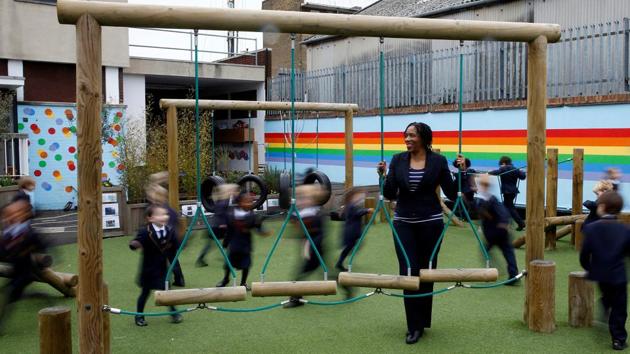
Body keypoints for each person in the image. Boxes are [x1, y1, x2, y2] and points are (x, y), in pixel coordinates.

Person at [377, 122, 466, 344]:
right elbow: (389, 193)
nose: (407, 139)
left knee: (427, 272)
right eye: (405, 135)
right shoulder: (398, 160)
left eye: (412, 135)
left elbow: (453, 192)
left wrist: (462, 171)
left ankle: (423, 321)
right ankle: (413, 326)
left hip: (431, 223)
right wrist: (383, 174)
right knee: (408, 270)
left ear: (424, 138)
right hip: (404, 223)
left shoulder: (438, 161)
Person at [580, 191, 630, 351]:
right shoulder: (625, 230)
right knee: (620, 307)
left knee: (607, 296)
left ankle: (605, 306)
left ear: (601, 207)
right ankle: (618, 339)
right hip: (618, 275)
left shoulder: (591, 228)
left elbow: (584, 255)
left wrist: (590, 268)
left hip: (600, 275)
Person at [129, 205, 183, 326]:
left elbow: (175, 244)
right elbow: (137, 240)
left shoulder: (169, 230)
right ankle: (139, 315)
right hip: (148, 269)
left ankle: (174, 313)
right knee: (145, 293)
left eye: (165, 214)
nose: (164, 217)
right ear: (150, 218)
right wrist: (134, 244)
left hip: (162, 268)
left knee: (167, 292)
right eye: (160, 214)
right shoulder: (145, 231)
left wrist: (183, 243)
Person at [0, 199, 48, 329]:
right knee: (12, 293)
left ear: (24, 215)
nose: (10, 217)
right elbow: (4, 249)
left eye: (15, 214)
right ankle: (36, 295)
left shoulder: (28, 232)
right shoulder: (8, 231)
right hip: (15, 270)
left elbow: (42, 245)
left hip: (27, 271)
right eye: (8, 215)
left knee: (10, 295)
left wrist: (41, 256)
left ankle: (1, 325)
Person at [284, 184, 328, 309]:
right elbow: (297, 224)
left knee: (300, 274)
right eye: (298, 198)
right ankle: (346, 286)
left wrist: (309, 245)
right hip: (309, 248)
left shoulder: (316, 213)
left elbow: (320, 234)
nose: (300, 201)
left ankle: (296, 298)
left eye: (302, 198)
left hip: (316, 250)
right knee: (325, 273)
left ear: (312, 199)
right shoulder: (303, 212)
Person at [215, 191, 267, 289]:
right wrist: (225, 243)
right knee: (228, 265)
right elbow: (229, 231)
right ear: (239, 202)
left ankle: (243, 282)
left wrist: (262, 231)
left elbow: (257, 226)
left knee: (246, 265)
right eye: (246, 201)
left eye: (250, 202)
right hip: (234, 245)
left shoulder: (252, 215)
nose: (249, 204)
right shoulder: (231, 215)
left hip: (245, 245)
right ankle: (226, 279)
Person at [475, 174, 518, 284]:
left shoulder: (487, 199)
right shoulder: (487, 198)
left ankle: (492, 272)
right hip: (499, 231)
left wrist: (503, 222)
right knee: (508, 252)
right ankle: (513, 276)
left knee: (486, 251)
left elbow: (501, 212)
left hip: (496, 231)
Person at [145, 183, 185, 287]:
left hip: (164, 239)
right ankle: (179, 279)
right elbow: (178, 221)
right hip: (172, 239)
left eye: (151, 195)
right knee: (173, 259)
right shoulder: (170, 209)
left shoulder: (158, 210)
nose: (150, 197)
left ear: (157, 196)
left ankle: (162, 280)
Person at [196, 184, 238, 267]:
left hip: (215, 225)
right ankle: (228, 260)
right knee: (228, 241)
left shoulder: (223, 199)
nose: (234, 192)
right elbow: (220, 213)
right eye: (233, 190)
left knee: (212, 244)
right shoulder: (224, 201)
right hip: (218, 226)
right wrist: (223, 224)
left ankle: (201, 258)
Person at [335, 188, 373, 272]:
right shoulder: (351, 205)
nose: (361, 199)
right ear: (353, 197)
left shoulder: (351, 205)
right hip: (351, 231)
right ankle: (339, 263)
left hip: (354, 230)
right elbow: (357, 213)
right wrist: (367, 210)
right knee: (349, 248)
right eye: (359, 197)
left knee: (352, 246)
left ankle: (340, 262)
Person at [488, 156, 526, 231]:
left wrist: (489, 172)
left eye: (500, 165)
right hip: (513, 191)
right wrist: (521, 172)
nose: (500, 166)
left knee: (510, 208)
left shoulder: (504, 168)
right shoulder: (515, 169)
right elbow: (523, 177)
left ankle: (521, 224)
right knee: (506, 207)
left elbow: (496, 172)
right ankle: (509, 223)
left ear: (503, 163)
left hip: (507, 191)